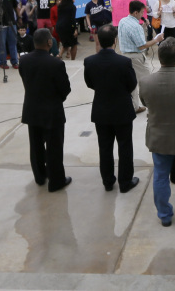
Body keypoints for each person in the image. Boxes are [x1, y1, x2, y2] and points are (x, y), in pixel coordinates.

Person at [83, 24, 139, 193]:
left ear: (98, 40)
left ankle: (108, 181)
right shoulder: (124, 62)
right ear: (115, 41)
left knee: (105, 147)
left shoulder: (90, 61)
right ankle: (125, 181)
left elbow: (89, 83)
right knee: (125, 146)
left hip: (101, 109)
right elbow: (132, 84)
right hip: (122, 109)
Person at [19, 28, 72, 191]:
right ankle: (56, 181)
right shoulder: (56, 63)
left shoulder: (24, 60)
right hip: (52, 111)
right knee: (54, 147)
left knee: (35, 147)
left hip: (32, 109)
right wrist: (57, 100)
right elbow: (65, 89)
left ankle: (40, 177)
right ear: (49, 42)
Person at [117, 0, 164, 113]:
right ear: (136, 12)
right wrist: (156, 40)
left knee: (132, 82)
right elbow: (142, 45)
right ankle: (152, 106)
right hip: (136, 57)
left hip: (124, 55)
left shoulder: (123, 20)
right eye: (142, 12)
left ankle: (135, 106)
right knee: (147, 81)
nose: (143, 14)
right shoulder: (135, 26)